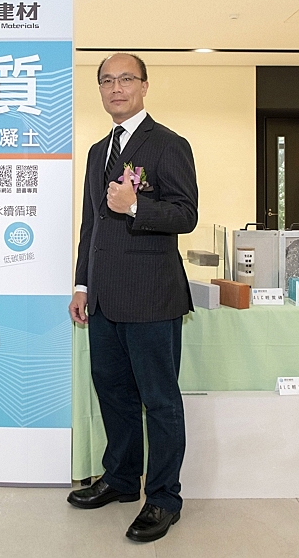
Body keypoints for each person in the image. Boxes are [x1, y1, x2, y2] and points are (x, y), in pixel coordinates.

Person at [67, 53, 198, 542]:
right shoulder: (97, 151)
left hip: (151, 297)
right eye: (107, 80)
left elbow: (186, 215)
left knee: (159, 401)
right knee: (114, 393)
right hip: (103, 299)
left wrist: (137, 205)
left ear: (144, 86)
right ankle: (121, 479)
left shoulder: (168, 144)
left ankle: (163, 498)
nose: (116, 87)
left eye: (126, 79)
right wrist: (82, 284)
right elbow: (92, 225)